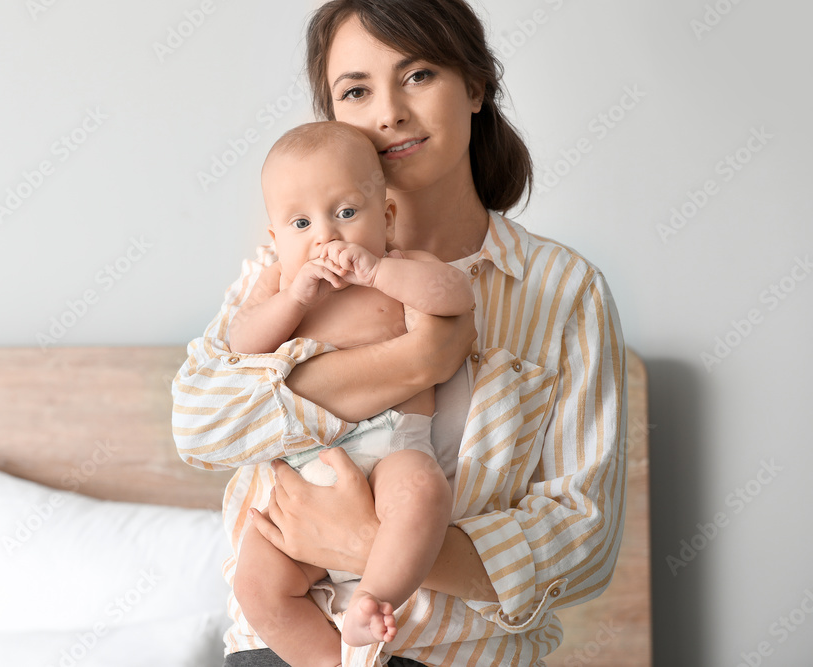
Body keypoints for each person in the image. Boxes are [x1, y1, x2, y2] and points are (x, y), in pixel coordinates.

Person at [172, 1, 627, 665]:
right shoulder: (279, 273)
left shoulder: (563, 289)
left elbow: (583, 542)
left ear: (474, 86)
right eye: (356, 90)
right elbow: (200, 426)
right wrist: (415, 360)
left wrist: (367, 544)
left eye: (418, 76)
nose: (388, 113)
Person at [229, 120, 474, 664]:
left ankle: (373, 598)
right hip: (304, 471)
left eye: (345, 213)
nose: (326, 236)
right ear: (275, 240)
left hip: (393, 448)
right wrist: (293, 299)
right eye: (300, 222)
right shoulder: (274, 285)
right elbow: (241, 344)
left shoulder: (403, 268)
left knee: (423, 494)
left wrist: (378, 270)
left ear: (385, 217)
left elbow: (455, 293)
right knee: (256, 584)